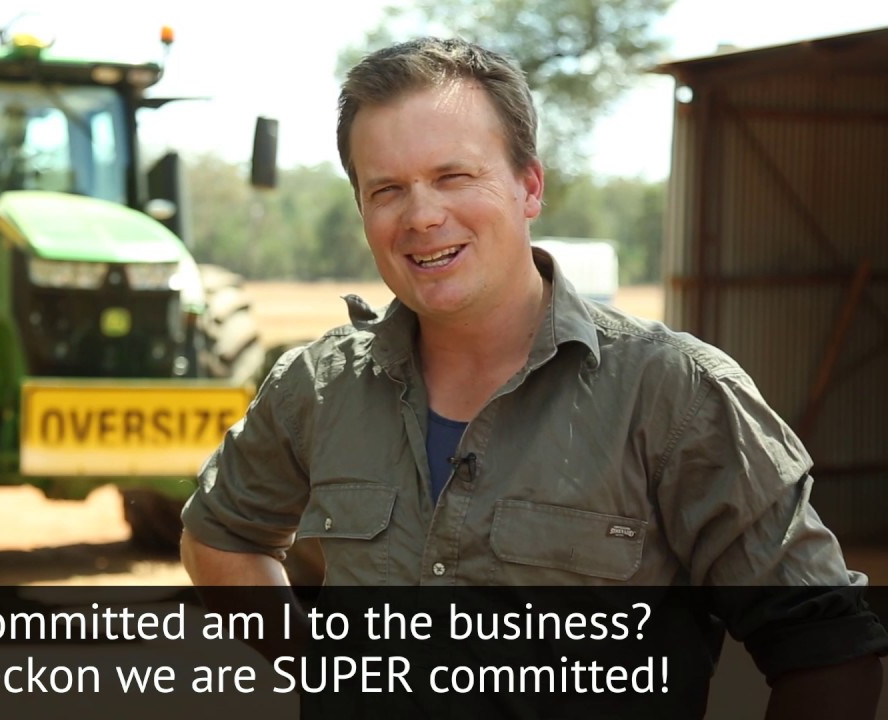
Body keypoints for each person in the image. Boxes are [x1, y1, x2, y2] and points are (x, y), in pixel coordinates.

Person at [180, 37, 886, 716]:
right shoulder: (317, 386)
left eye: (454, 176)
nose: (422, 215)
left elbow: (829, 652)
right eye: (387, 189)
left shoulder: (675, 395)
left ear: (529, 186)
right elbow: (221, 535)